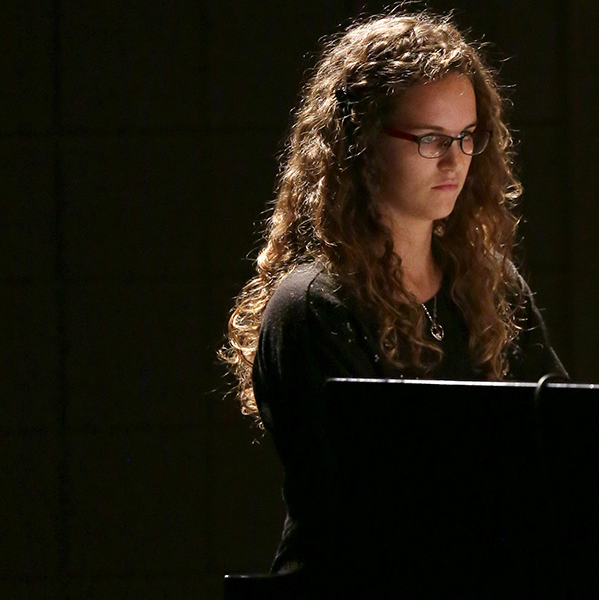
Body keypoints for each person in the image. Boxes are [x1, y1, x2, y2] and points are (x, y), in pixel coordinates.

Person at [222, 8, 566, 595]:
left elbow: (562, 438)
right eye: (430, 139)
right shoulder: (311, 306)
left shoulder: (491, 286)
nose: (456, 161)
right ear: (360, 142)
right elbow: (377, 509)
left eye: (467, 137)